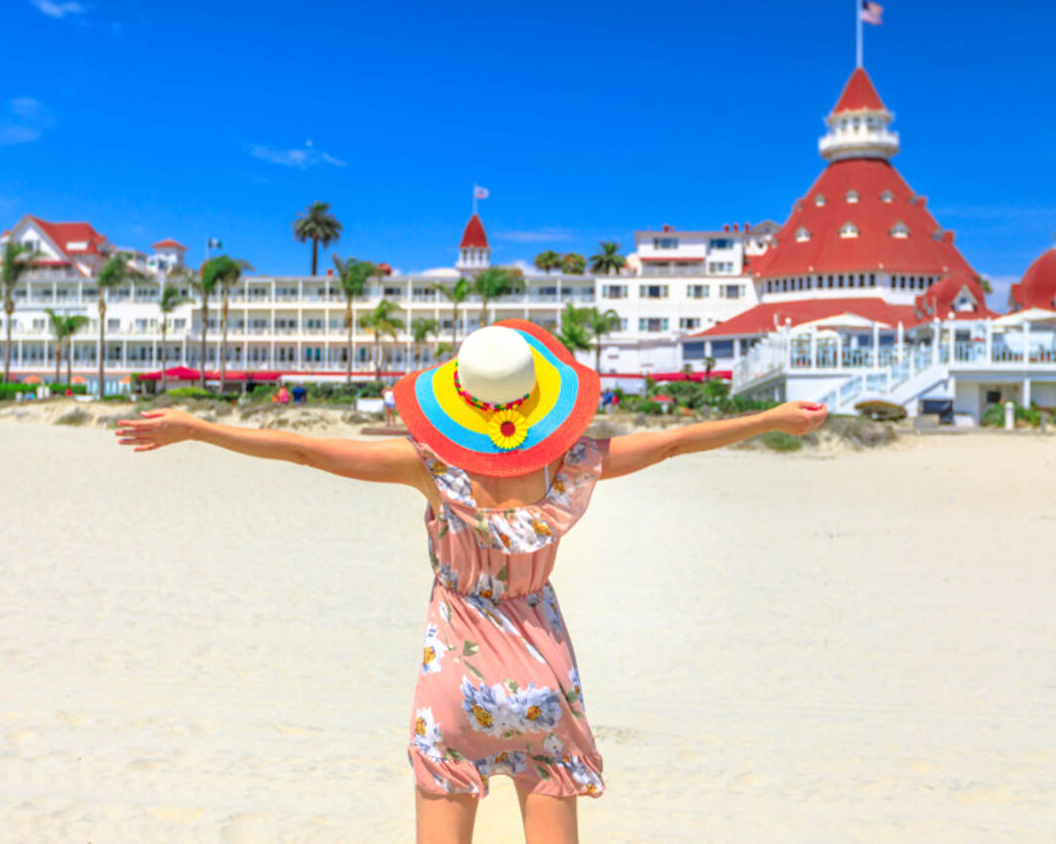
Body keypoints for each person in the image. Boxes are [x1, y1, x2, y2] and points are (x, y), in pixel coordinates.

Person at [115, 319, 826, 843]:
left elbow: (303, 450)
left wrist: (198, 428)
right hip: (544, 670)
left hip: (457, 670)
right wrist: (773, 417)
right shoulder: (573, 464)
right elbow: (673, 441)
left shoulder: (430, 467)